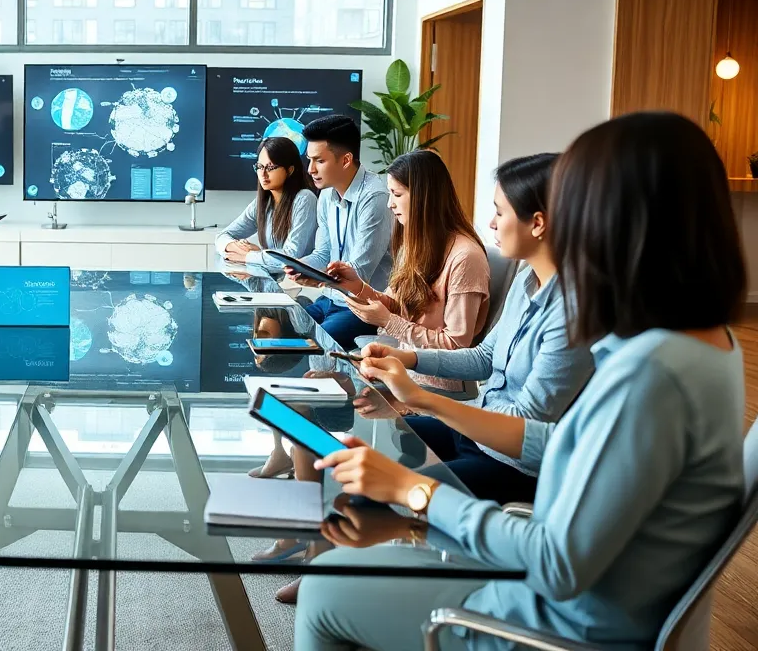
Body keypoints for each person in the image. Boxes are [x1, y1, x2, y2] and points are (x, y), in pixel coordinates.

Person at [293, 112, 748, 651]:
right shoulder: (706, 345)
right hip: (565, 585)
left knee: (324, 589)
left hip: (554, 619)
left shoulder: (650, 374)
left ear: (619, 219)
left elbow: (557, 563)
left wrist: (411, 492)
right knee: (349, 558)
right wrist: (412, 512)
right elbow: (556, 447)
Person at [357, 153, 593, 505]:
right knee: (365, 440)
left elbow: (525, 426)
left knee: (373, 497)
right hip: (475, 433)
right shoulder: (527, 279)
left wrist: (421, 399)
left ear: (538, 223)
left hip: (512, 465)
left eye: (500, 212)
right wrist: (406, 357)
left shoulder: (573, 313)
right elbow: (484, 358)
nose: (491, 224)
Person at [296, 150, 490, 392]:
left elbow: (455, 347)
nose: (390, 203)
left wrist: (388, 321)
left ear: (424, 198)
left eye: (397, 194)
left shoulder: (465, 257)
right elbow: (395, 304)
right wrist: (356, 286)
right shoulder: (417, 245)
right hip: (400, 375)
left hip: (433, 389)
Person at [293, 114, 395, 350]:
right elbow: (322, 254)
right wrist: (299, 266)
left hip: (362, 307)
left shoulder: (375, 197)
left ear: (346, 160)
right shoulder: (326, 195)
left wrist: (317, 278)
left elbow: (359, 274)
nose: (310, 169)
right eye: (309, 160)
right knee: (285, 330)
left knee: (314, 344)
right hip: (330, 299)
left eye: (319, 161)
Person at [216, 136, 317, 270]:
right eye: (259, 167)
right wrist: (237, 248)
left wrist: (249, 256)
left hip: (297, 281)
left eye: (270, 167)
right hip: (270, 278)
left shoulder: (304, 199)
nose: (263, 174)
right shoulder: (263, 203)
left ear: (290, 170)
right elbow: (222, 236)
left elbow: (291, 256)